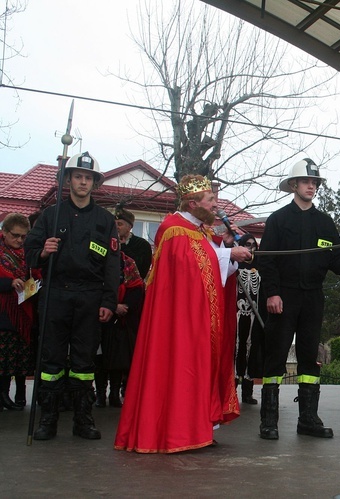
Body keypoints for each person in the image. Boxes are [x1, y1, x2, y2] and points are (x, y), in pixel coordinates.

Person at [114, 175, 253, 453]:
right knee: (181, 367)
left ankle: (198, 428)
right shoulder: (173, 229)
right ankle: (177, 432)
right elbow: (192, 268)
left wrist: (225, 245)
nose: (216, 204)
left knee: (200, 367)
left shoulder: (200, 230)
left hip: (199, 316)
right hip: (179, 320)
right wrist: (228, 254)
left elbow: (209, 264)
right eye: (210, 199)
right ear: (193, 203)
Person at [256, 158, 340, 440]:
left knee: (310, 358)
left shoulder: (324, 222)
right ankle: (268, 420)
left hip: (313, 299)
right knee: (276, 357)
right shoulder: (278, 220)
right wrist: (272, 292)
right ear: (294, 184)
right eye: (307, 182)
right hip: (283, 297)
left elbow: (336, 259)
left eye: (315, 183)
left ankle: (308, 418)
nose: (312, 186)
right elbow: (266, 261)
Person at [24, 152, 120, 440]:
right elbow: (28, 252)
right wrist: (43, 251)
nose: (82, 182)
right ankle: (48, 420)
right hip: (55, 294)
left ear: (94, 183)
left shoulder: (105, 220)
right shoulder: (50, 215)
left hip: (90, 298)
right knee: (51, 361)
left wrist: (108, 301)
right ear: (68, 180)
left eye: (87, 178)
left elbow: (113, 265)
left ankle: (83, 420)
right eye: (78, 176)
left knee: (84, 363)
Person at [94, 252, 144, 408]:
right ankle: (100, 394)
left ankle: (114, 394)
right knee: (99, 359)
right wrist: (111, 306)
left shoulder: (128, 263)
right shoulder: (95, 260)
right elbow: (92, 288)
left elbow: (137, 289)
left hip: (121, 321)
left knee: (118, 358)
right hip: (98, 317)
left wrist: (124, 306)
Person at [0, 213, 37, 412]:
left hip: (22, 311)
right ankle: (3, 395)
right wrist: (9, 283)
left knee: (18, 356)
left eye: (23, 236)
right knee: (3, 358)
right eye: (15, 235)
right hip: (4, 312)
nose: (19, 240)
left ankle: (17, 395)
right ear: (4, 232)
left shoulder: (27, 254)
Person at [235, 233, 265, 405]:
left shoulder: (259, 265)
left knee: (250, 351)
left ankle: (247, 392)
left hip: (254, 314)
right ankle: (231, 391)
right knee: (235, 349)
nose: (250, 248)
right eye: (247, 244)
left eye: (253, 245)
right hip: (236, 313)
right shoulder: (235, 264)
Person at [114, 207, 152, 280]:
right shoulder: (108, 243)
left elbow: (141, 271)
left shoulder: (143, 245)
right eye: (114, 224)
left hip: (132, 289)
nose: (116, 227)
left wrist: (123, 247)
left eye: (119, 224)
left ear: (129, 227)